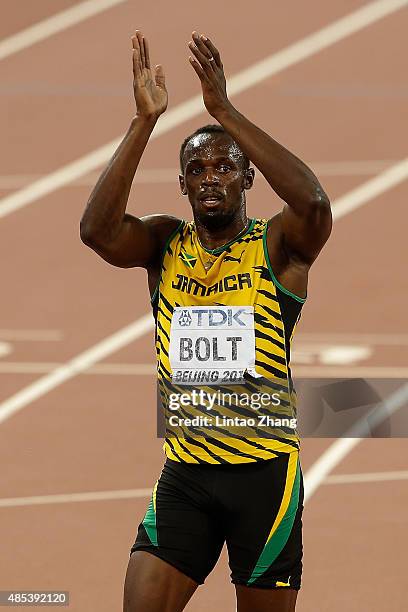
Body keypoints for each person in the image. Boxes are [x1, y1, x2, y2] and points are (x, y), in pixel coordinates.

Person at [80, 29, 332, 612]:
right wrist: (143, 123)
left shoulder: (277, 248)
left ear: (248, 180)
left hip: (264, 479)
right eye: (197, 168)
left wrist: (223, 110)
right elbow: (96, 232)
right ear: (183, 184)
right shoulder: (165, 243)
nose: (210, 177)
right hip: (186, 476)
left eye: (225, 167)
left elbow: (314, 204)